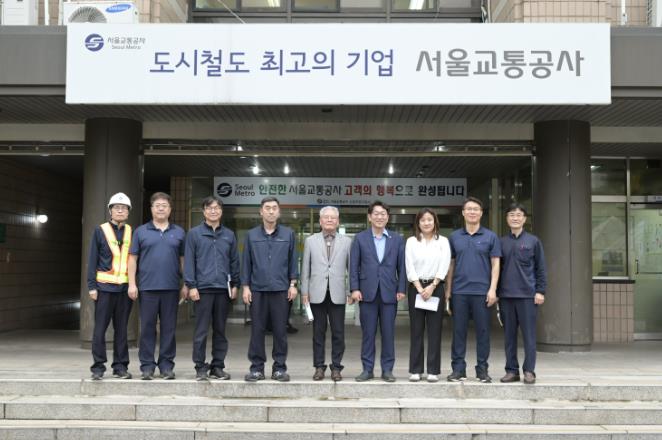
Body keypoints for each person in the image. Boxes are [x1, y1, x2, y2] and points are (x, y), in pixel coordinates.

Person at [128, 192, 187, 380]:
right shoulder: (141, 231)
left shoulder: (179, 232)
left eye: (164, 205)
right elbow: (132, 259)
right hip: (147, 288)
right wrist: (132, 283)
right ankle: (147, 366)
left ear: (170, 209)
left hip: (171, 288)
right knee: (147, 328)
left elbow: (183, 260)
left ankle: (166, 366)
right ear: (151, 209)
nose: (161, 208)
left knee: (169, 329)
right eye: (157, 205)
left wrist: (186, 283)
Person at [242, 197, 298, 382]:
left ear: (279, 212)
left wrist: (293, 284)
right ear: (261, 211)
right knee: (257, 330)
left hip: (281, 289)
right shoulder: (251, 235)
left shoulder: (288, 234)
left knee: (280, 330)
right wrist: (246, 287)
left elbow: (293, 260)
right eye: (267, 208)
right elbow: (246, 262)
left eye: (274, 208)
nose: (271, 211)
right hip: (257, 289)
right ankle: (256, 368)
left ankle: (279, 368)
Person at [445, 197, 501, 383]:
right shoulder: (454, 237)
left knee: (483, 332)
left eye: (476, 209)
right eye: (468, 209)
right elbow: (451, 265)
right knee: (458, 332)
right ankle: (458, 369)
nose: (472, 212)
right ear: (463, 213)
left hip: (482, 292)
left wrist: (493, 289)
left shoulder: (490, 236)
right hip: (459, 291)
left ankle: (482, 370)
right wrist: (448, 291)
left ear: (481, 213)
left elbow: (495, 264)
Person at [184, 196, 239, 381]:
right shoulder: (194, 234)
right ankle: (200, 366)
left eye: (216, 208)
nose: (213, 211)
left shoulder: (229, 235)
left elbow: (234, 261)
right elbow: (189, 261)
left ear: (221, 211)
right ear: (204, 211)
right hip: (203, 289)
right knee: (201, 331)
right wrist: (191, 285)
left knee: (220, 331)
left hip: (223, 289)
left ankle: (217, 366)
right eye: (209, 208)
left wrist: (235, 284)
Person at [350, 200, 406, 382]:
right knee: (368, 334)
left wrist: (402, 288)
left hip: (389, 293)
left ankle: (387, 370)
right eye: (376, 214)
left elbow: (402, 267)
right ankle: (367, 369)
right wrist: (354, 288)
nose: (379, 217)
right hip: (367, 293)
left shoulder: (397, 239)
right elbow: (353, 266)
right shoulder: (360, 238)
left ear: (388, 217)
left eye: (383, 214)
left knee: (388, 334)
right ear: (369, 217)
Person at [300, 206, 352, 382]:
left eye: (333, 217)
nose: (329, 220)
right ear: (320, 221)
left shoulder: (347, 242)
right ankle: (319, 367)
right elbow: (305, 268)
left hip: (338, 294)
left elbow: (351, 269)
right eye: (326, 217)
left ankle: (336, 367)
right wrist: (304, 291)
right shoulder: (310, 241)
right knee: (318, 333)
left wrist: (350, 290)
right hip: (316, 293)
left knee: (338, 333)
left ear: (338, 221)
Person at [498, 203, 547, 385]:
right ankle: (511, 371)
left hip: (528, 295)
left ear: (524, 219)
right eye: (511, 214)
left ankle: (529, 371)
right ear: (507, 218)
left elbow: (541, 268)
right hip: (506, 296)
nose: (515, 218)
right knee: (509, 336)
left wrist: (540, 291)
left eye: (519, 215)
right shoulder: (501, 242)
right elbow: (496, 269)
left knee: (529, 336)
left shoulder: (534, 241)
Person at [88, 192, 134, 380]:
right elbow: (92, 259)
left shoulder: (132, 231)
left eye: (124, 208)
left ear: (128, 212)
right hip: (104, 288)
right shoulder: (100, 230)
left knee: (121, 330)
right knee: (100, 329)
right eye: (116, 208)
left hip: (124, 290)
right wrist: (91, 286)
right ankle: (98, 367)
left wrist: (134, 285)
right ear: (110, 211)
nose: (120, 210)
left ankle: (120, 366)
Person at [405, 207, 451, 383]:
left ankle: (433, 370)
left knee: (435, 330)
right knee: (416, 330)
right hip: (416, 287)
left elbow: (445, 264)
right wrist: (419, 287)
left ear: (435, 222)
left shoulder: (443, 241)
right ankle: (415, 370)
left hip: (435, 287)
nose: (426, 223)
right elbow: (409, 265)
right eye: (423, 220)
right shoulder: (411, 241)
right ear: (418, 223)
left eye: (429, 220)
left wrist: (432, 286)